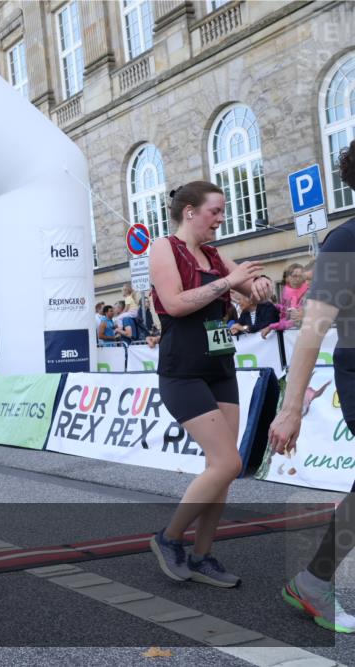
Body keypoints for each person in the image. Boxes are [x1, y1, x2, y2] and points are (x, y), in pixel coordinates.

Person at [148, 181, 273, 587]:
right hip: (182, 369)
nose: (221, 219)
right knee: (228, 463)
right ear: (190, 212)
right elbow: (174, 303)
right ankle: (168, 538)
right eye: (214, 212)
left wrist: (257, 287)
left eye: (222, 212)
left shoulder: (214, 255)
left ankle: (203, 556)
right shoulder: (164, 248)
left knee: (220, 469)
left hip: (220, 366)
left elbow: (247, 288)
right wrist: (229, 282)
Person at [269, 139, 355, 633]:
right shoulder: (345, 243)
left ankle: (314, 580)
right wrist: (291, 407)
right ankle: (314, 581)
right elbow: (313, 328)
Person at [264, 263, 310, 336]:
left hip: (301, 334)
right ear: (288, 278)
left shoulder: (307, 294)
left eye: (300, 276)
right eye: (294, 276)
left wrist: (272, 326)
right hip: (288, 335)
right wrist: (275, 306)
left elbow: (294, 321)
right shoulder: (286, 291)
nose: (297, 279)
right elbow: (285, 311)